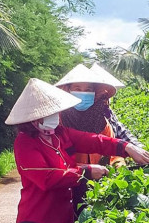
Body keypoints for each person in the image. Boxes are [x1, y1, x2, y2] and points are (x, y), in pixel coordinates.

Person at [5, 78, 149, 223]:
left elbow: (93, 140)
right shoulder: (26, 143)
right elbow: (47, 177)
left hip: (64, 220)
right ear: (32, 119)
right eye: (48, 113)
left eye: (55, 111)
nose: (55, 115)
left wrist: (125, 147)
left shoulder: (59, 133)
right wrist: (85, 172)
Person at [55, 64, 143, 213]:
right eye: (77, 89)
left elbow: (113, 154)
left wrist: (119, 168)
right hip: (67, 191)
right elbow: (58, 163)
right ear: (67, 90)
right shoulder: (58, 122)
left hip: (98, 188)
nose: (83, 93)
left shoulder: (102, 122)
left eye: (88, 90)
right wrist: (86, 170)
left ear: (95, 93)